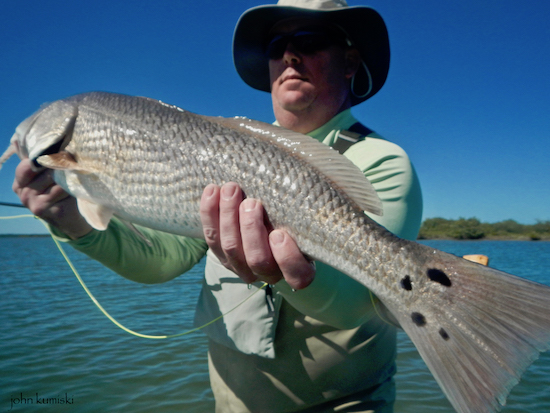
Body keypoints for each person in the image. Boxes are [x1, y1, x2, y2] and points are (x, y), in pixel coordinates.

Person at [13, 0, 422, 411]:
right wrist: (71, 219)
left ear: (350, 61)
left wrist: (286, 273)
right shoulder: (219, 155)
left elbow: (357, 304)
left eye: (310, 40)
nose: (289, 56)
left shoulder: (382, 161)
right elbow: (161, 262)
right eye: (276, 46)